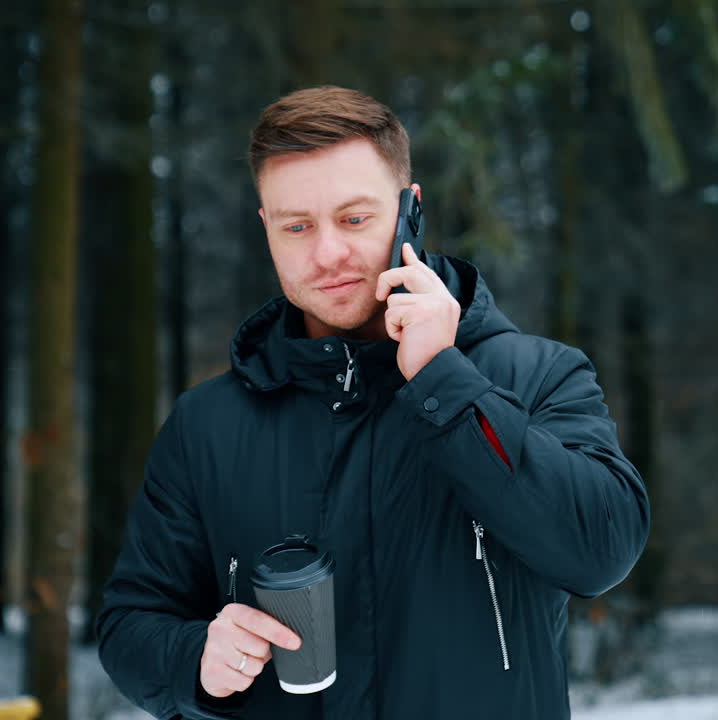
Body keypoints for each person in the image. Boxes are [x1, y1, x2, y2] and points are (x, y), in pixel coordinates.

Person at [96, 86, 650, 720]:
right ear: (266, 229)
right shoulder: (208, 424)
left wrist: (444, 381)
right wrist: (193, 657)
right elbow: (130, 624)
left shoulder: (536, 375)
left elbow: (601, 549)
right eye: (296, 226)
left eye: (355, 219)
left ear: (410, 211)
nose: (328, 253)